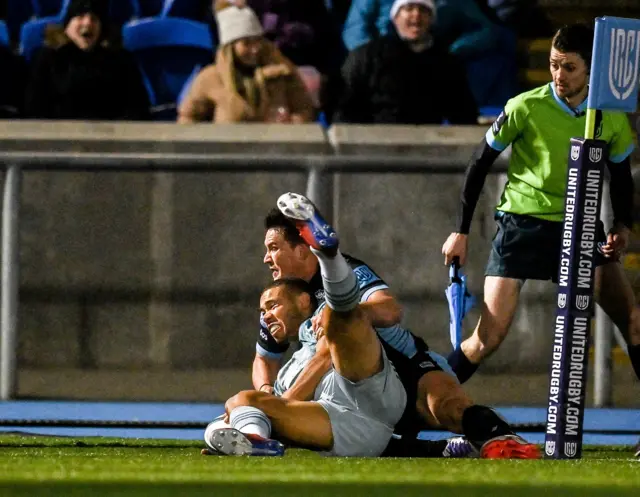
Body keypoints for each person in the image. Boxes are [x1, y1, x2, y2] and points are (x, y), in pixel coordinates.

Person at [209, 193, 540, 458]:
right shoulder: (284, 298)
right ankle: (440, 451)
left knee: (451, 410)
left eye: (273, 248)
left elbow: (390, 310)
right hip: (350, 388)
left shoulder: (351, 273)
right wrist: (268, 393)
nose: (267, 258)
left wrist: (350, 316)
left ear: (303, 247)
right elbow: (264, 356)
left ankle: (506, 442)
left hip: (407, 366)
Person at [441, 24, 640, 394]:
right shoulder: (525, 106)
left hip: (580, 226)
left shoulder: (608, 116)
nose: (558, 75)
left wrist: (621, 226)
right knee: (487, 338)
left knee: (632, 321)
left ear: (591, 71)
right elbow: (479, 162)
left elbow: (621, 175)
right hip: (522, 226)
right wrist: (461, 231)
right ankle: (417, 406)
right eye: (553, 65)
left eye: (569, 67)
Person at [333, 0, 478, 125]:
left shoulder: (446, 63)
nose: (416, 15)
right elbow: (345, 107)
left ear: (432, 18)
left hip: (428, 147)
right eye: (409, 8)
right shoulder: (368, 56)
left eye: (423, 10)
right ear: (396, 17)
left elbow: (463, 112)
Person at [177, 0, 315, 124]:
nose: (255, 49)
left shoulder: (283, 72)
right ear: (231, 48)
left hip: (275, 149)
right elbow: (188, 118)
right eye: (246, 44)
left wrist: (291, 124)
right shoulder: (210, 79)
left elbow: (304, 109)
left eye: (257, 41)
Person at [24, 0, 150, 120]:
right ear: (68, 25)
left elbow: (137, 108)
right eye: (80, 16)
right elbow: (35, 109)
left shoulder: (121, 61)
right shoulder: (47, 58)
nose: (87, 23)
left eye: (94, 19)